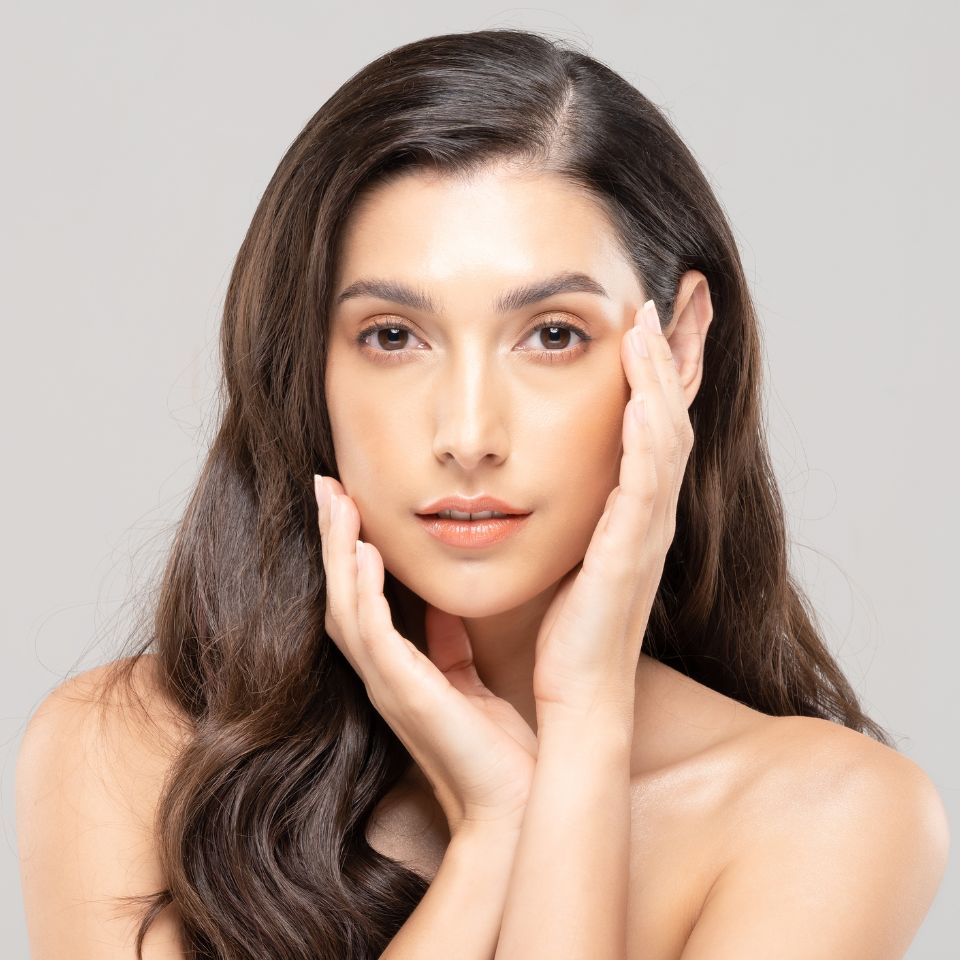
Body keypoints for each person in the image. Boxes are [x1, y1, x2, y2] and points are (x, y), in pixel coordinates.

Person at [16, 27, 949, 960]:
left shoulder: (827, 819)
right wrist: (494, 836)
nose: (468, 436)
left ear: (677, 349)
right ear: (309, 364)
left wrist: (585, 723)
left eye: (553, 335)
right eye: (392, 336)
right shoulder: (125, 752)